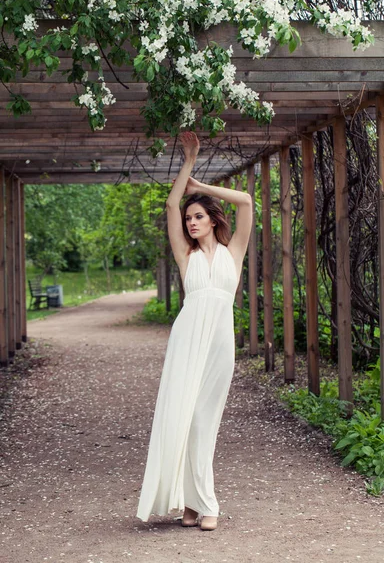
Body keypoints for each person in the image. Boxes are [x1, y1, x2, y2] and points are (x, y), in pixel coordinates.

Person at [136, 131, 252, 531]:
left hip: (219, 342)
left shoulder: (233, 251)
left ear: (213, 219)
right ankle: (194, 506)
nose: (191, 221)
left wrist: (201, 186)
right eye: (189, 218)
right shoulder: (185, 256)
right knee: (182, 417)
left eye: (198, 215)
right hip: (186, 341)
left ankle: (203, 502)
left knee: (204, 420)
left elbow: (247, 202)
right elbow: (170, 203)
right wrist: (188, 163)